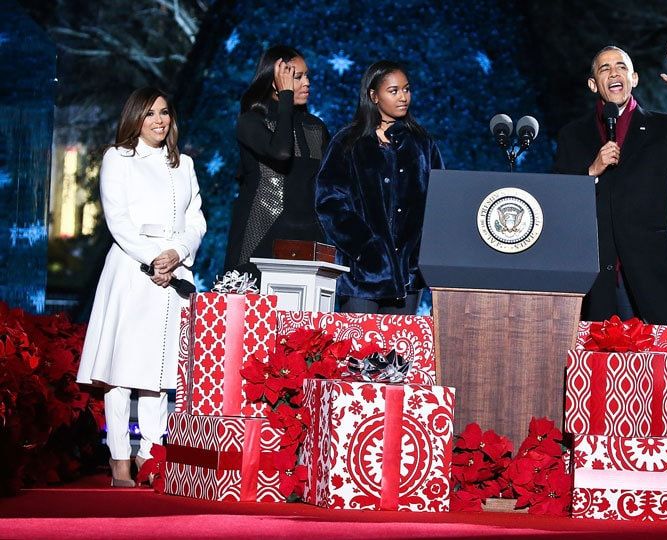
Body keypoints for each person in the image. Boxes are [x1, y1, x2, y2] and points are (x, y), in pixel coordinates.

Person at [77, 87, 206, 487]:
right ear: (136, 117)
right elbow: (118, 220)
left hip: (172, 275)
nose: (159, 120)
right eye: (150, 113)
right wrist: (154, 258)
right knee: (121, 370)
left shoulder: (183, 163)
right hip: (133, 271)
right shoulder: (120, 158)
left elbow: (196, 220)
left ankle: (152, 457)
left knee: (159, 369)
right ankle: (119, 459)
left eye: (164, 112)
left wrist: (177, 252)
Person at [553, 44, 667, 326]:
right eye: (604, 69)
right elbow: (557, 201)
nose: (614, 72)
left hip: (651, 269)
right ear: (594, 84)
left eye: (621, 67)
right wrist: (591, 170)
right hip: (595, 277)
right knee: (601, 367)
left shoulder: (662, 128)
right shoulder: (573, 135)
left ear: (634, 78)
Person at [315, 60, 443, 314]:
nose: (403, 97)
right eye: (393, 91)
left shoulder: (422, 143)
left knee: (399, 353)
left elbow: (440, 201)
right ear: (374, 95)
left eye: (406, 89)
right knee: (359, 351)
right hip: (362, 277)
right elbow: (329, 202)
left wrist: (422, 255)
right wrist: (365, 247)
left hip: (409, 275)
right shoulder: (348, 142)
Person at [224, 45, 331, 277]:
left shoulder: (316, 127)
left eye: (307, 76)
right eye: (296, 77)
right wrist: (286, 98)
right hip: (261, 235)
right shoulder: (251, 121)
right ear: (275, 82)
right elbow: (281, 152)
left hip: (306, 238)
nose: (307, 83)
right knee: (255, 312)